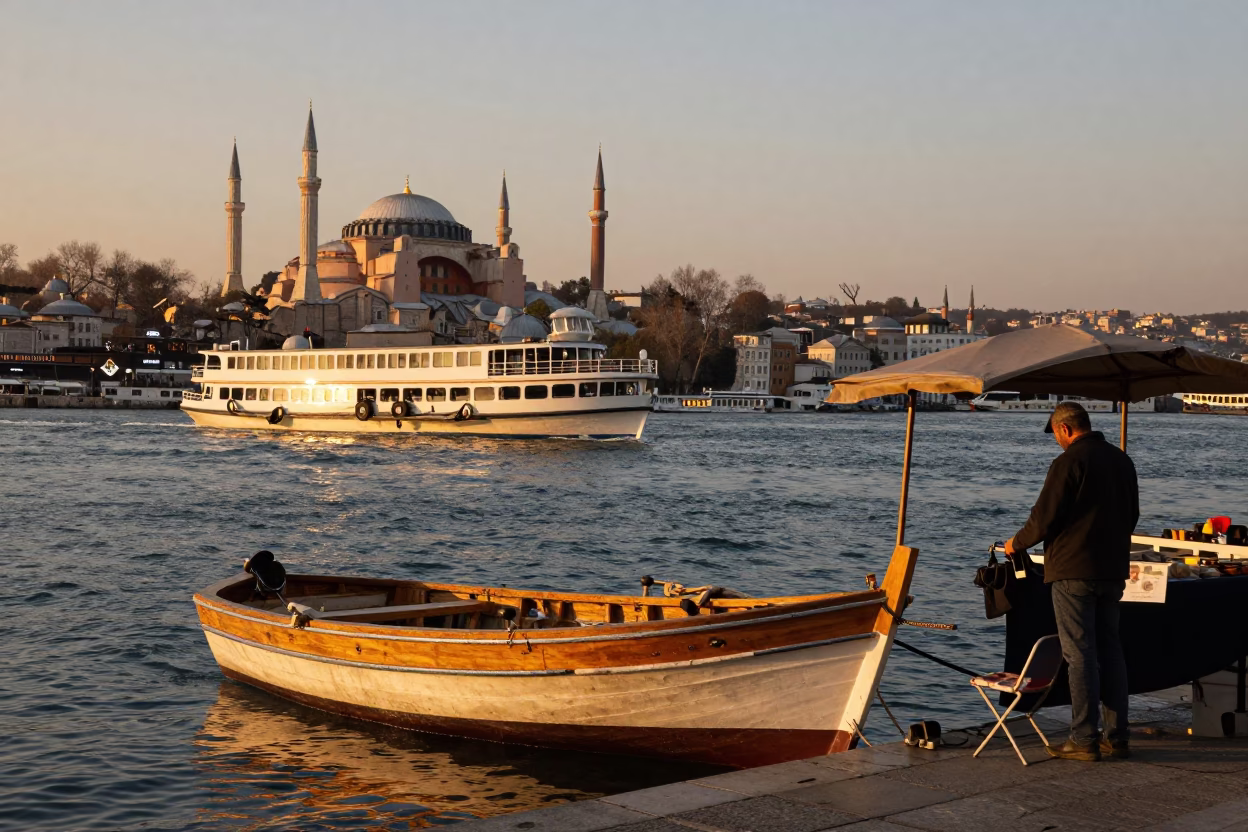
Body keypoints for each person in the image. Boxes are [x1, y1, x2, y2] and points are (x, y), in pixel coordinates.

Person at [1005, 401, 1139, 762]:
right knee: (1111, 650)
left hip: (1072, 570)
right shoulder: (1121, 460)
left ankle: (1083, 739)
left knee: (1080, 655)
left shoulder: (1067, 462)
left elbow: (1043, 518)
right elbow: (1133, 515)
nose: (1057, 442)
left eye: (1056, 436)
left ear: (1064, 429)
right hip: (1112, 570)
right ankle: (1118, 735)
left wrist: (1015, 543)